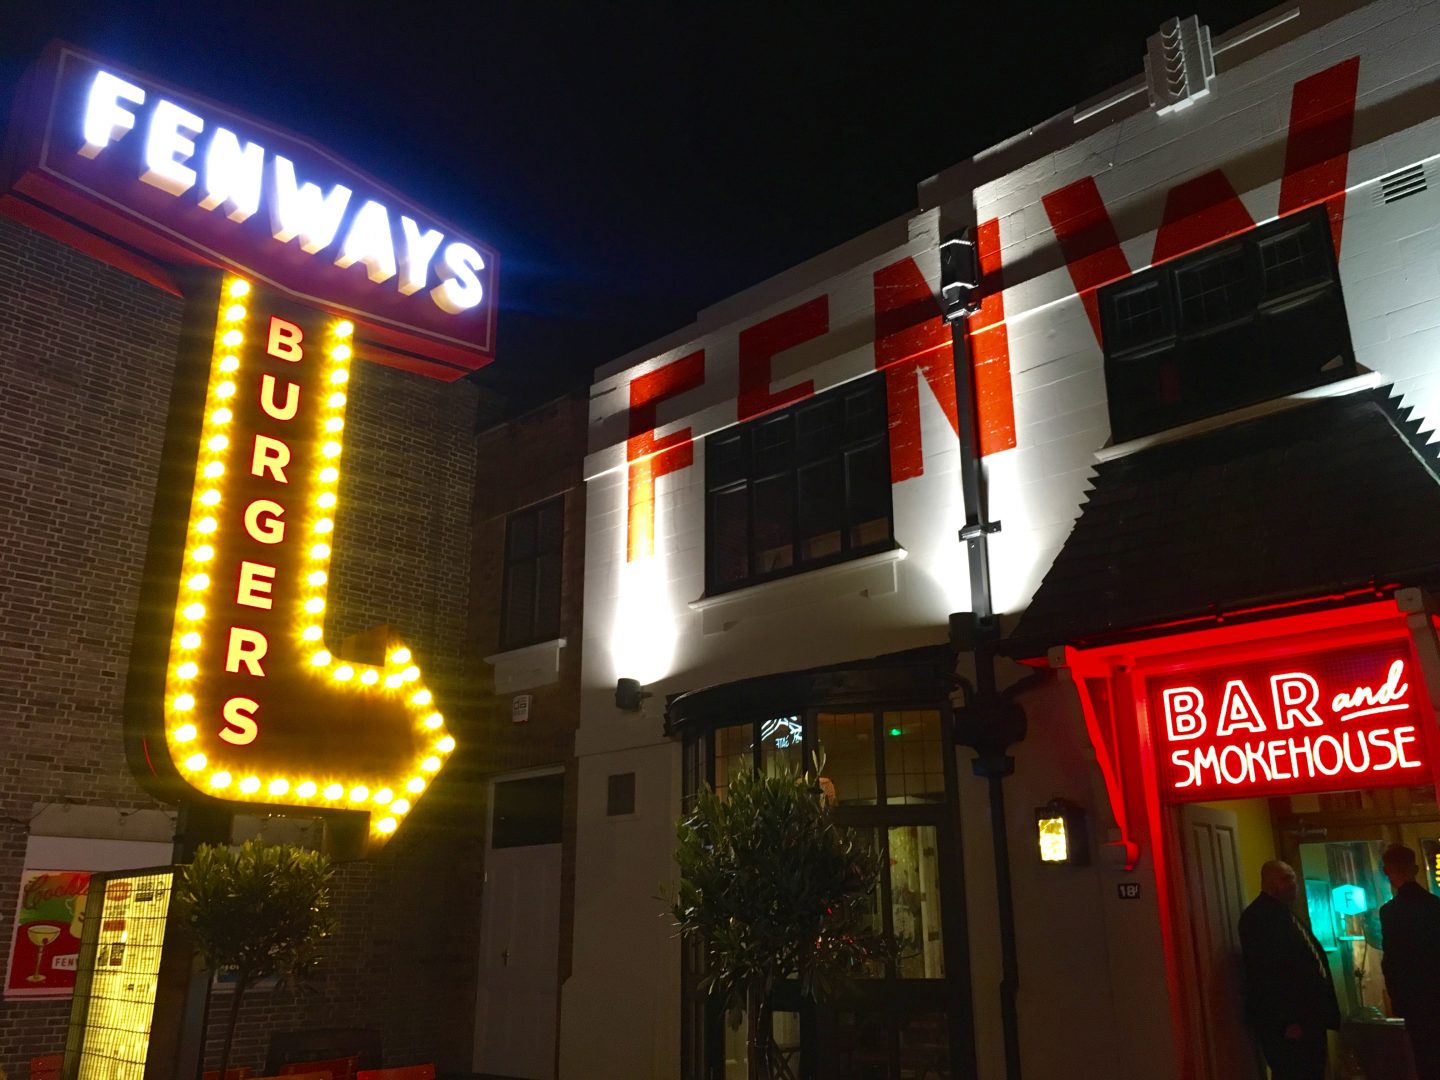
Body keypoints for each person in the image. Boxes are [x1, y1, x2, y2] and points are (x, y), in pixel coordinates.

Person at [1238, 859, 1340, 1080]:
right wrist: (1287, 1020)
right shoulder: (1259, 918)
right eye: (1287, 879)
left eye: (1293, 878)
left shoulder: (1285, 914)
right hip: (1292, 1026)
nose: (1294, 884)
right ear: (1270, 882)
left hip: (1307, 1019)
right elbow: (1265, 973)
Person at [1379, 843, 1440, 1079]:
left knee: (1425, 1059)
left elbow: (1392, 960)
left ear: (1388, 871)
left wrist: (1398, 998)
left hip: (1415, 998)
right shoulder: (1435, 907)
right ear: (1414, 869)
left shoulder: (1391, 912)